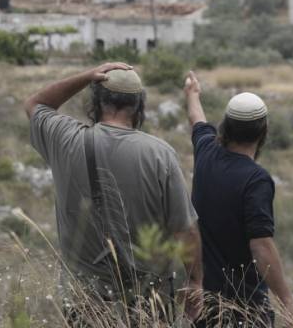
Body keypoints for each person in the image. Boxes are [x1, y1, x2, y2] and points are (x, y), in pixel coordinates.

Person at [23, 62, 203, 321]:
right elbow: (185, 230)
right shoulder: (160, 154)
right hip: (147, 302)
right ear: (139, 106)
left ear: (96, 101)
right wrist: (195, 282)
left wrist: (87, 76)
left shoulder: (65, 139)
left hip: (84, 302)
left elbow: (36, 104)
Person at [183, 70, 293, 327]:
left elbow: (196, 119)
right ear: (263, 131)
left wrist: (192, 93)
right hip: (244, 308)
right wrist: (287, 301)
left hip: (205, 303)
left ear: (225, 125)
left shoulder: (206, 151)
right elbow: (261, 246)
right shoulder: (256, 179)